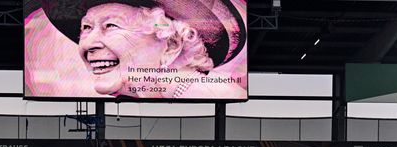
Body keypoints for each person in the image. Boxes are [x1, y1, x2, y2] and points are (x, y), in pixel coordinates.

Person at [30, 0, 247, 99]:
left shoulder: (215, 92)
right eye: (86, 28)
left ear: (171, 45)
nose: (88, 43)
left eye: (111, 26)